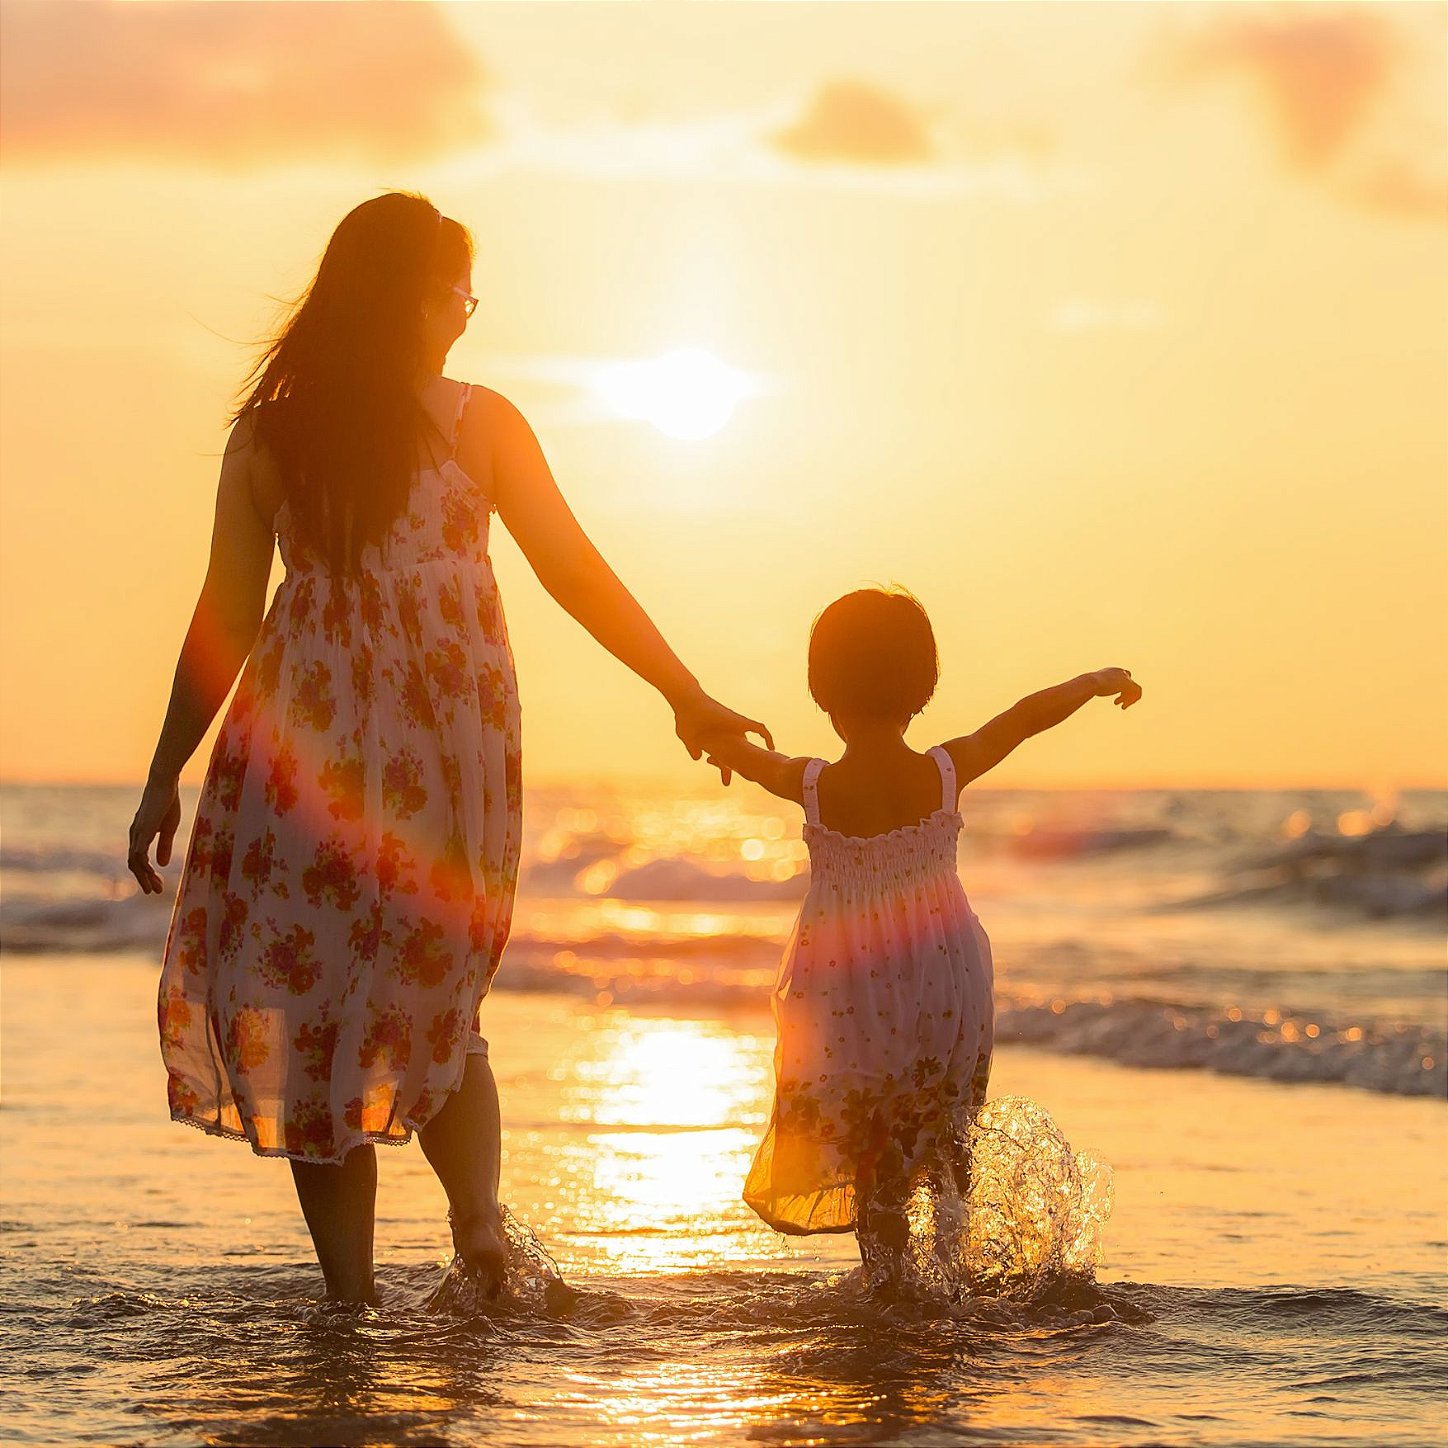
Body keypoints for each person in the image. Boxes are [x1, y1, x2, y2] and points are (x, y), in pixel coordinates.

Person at [126, 191, 769, 1307]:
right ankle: (476, 1232)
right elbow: (573, 570)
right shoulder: (477, 421)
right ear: (414, 295)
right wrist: (683, 692)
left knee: (314, 1006)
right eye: (458, 289)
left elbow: (225, 617)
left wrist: (164, 771)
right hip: (445, 753)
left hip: (300, 757)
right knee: (434, 994)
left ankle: (350, 1298)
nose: (467, 314)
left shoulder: (272, 431)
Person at [701, 587, 1140, 1284]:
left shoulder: (813, 784)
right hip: (946, 976)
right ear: (921, 689)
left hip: (850, 991)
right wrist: (1092, 683)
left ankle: (892, 1284)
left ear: (823, 691)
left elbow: (743, 756)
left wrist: (713, 738)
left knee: (874, 1150)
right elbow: (1023, 719)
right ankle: (952, 1271)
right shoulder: (943, 771)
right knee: (945, 1131)